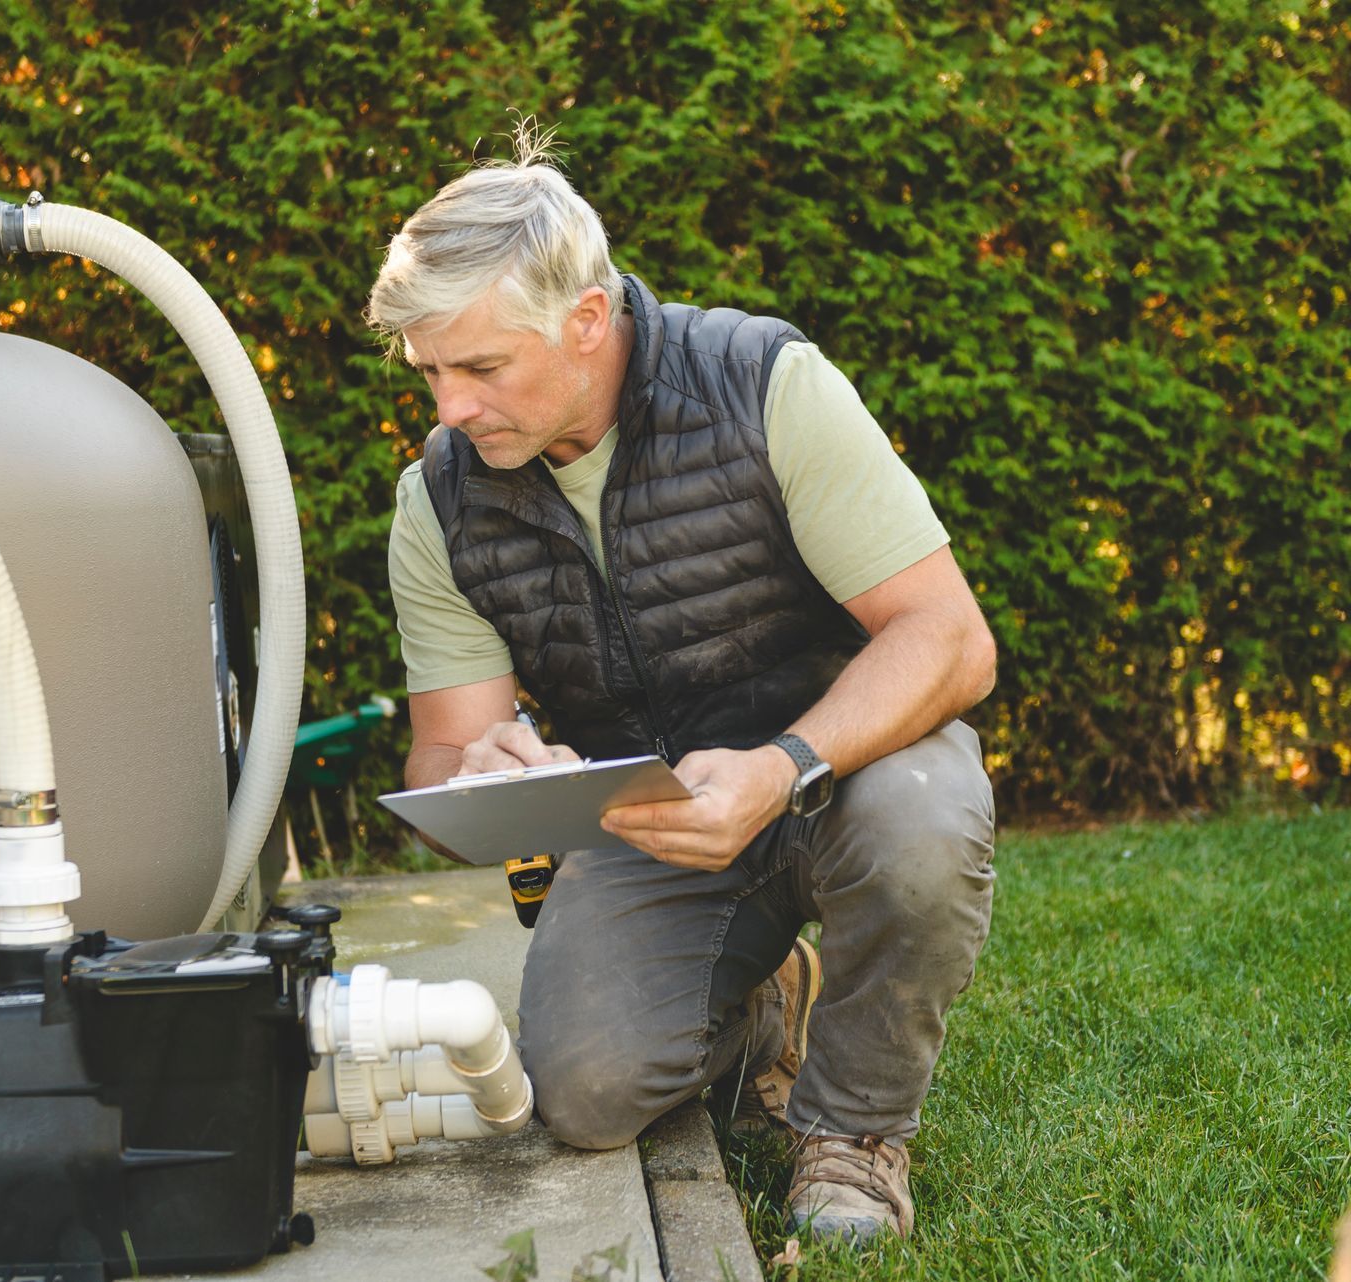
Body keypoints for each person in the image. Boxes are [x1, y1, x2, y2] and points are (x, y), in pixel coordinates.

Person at [368, 131, 998, 1246]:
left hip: (844, 769)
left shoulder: (763, 385)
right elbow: (440, 757)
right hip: (652, 821)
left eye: (481, 368)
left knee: (920, 816)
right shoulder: (441, 502)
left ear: (587, 321)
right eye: (430, 372)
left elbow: (950, 639)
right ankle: (766, 1006)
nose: (450, 408)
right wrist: (484, 769)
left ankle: (853, 1132)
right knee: (587, 1092)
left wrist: (783, 765)